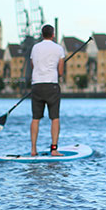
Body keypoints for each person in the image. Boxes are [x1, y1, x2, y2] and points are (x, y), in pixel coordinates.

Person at [30, 24, 66, 156]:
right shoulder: (59, 49)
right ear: (53, 34)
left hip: (37, 85)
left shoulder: (35, 48)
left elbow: (33, 65)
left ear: (42, 34)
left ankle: (33, 149)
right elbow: (60, 72)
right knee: (54, 118)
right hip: (52, 86)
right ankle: (54, 149)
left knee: (35, 118)